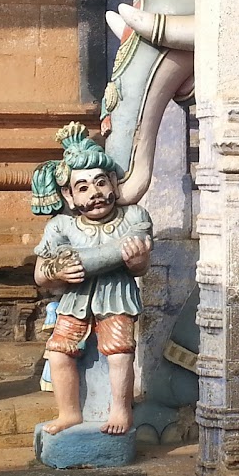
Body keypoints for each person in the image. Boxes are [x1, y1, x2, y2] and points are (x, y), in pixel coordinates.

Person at [29, 122, 152, 436]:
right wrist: (56, 271)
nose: (95, 193)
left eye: (101, 182)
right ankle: (69, 413)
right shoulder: (62, 227)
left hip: (116, 295)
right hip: (76, 298)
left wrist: (137, 262)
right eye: (83, 187)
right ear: (69, 196)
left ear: (113, 181)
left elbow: (138, 266)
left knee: (119, 352)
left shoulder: (133, 218)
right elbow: (41, 273)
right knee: (58, 352)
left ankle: (121, 410)